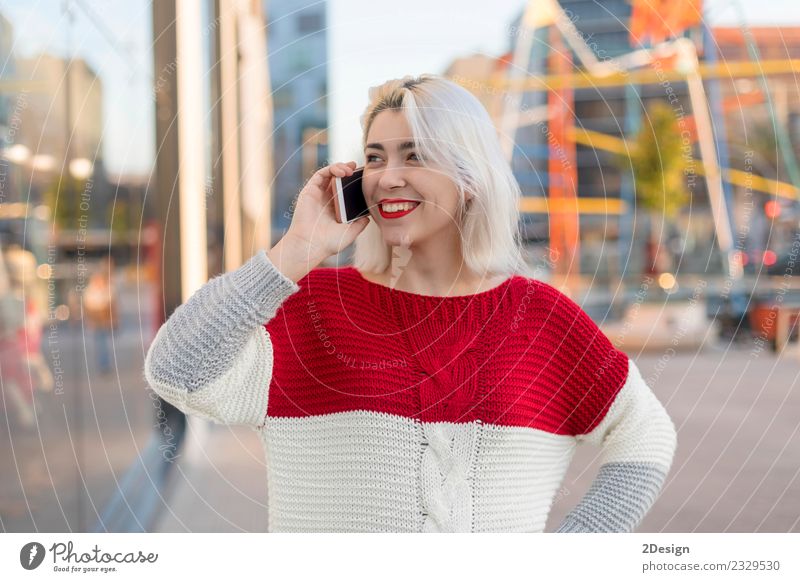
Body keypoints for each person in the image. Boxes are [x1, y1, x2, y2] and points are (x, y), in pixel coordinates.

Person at [144, 74, 677, 532]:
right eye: (375, 157)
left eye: (415, 155)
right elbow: (174, 370)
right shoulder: (312, 308)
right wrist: (292, 254)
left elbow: (645, 434)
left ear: (469, 178)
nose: (388, 176)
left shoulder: (540, 318)